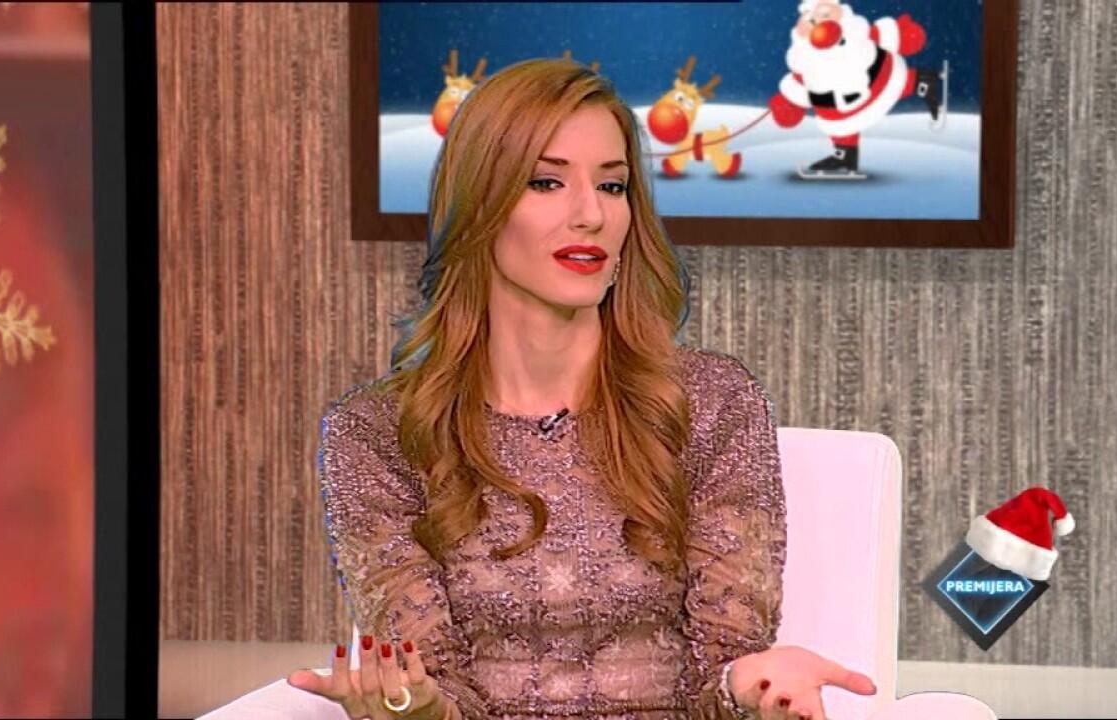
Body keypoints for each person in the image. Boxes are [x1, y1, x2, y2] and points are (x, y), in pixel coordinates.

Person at [287, 57, 877, 720]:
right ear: (478, 203)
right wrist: (414, 707)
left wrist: (754, 686)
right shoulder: (377, 433)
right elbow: (434, 684)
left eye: (612, 185)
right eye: (546, 181)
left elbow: (721, 671)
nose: (591, 214)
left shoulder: (711, 402)